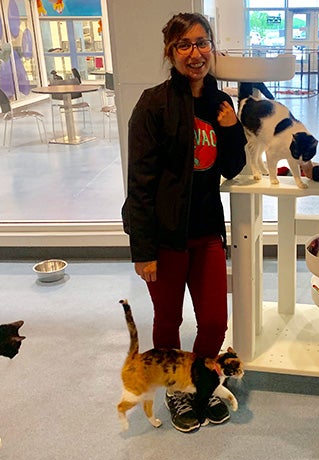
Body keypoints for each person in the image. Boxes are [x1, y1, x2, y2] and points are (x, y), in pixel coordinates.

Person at [121, 12, 247, 433]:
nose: (195, 53)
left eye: (202, 43)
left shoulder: (220, 103)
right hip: (165, 238)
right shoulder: (153, 104)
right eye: (184, 45)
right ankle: (177, 388)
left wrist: (230, 129)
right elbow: (139, 182)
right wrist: (143, 250)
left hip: (208, 232)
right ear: (170, 52)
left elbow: (233, 167)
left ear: (213, 47)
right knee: (168, 321)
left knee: (213, 321)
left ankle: (198, 382)